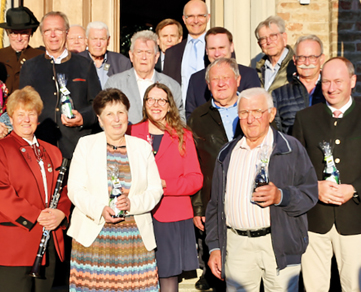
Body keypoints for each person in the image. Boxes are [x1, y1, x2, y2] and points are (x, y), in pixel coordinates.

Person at [292, 57, 361, 291]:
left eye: (338, 81)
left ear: (353, 81)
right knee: (314, 286)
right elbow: (293, 167)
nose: (331, 87)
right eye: (326, 81)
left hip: (355, 219)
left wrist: (354, 188)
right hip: (314, 219)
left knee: (353, 287)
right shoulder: (305, 118)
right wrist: (313, 187)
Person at [206, 87, 318, 291]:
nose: (250, 119)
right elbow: (215, 204)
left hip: (279, 245)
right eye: (244, 113)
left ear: (271, 114)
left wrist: (280, 196)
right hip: (237, 245)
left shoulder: (290, 149)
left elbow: (310, 193)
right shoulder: (227, 154)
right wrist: (214, 247)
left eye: (257, 112)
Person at [66, 89, 163, 291]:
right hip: (93, 239)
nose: (116, 119)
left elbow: (155, 190)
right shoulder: (86, 144)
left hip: (134, 241)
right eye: (109, 114)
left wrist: (132, 204)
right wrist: (99, 209)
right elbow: (75, 189)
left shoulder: (142, 147)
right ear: (100, 119)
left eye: (121, 112)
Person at [0, 86, 71, 292]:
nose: (26, 119)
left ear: (38, 117)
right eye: (20, 114)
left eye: (31, 113)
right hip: (13, 242)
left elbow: (65, 190)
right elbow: (0, 193)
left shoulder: (52, 151)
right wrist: (37, 216)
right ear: (10, 118)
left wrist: (61, 213)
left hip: (47, 241)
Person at [129, 83, 203, 292]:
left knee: (168, 279)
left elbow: (195, 179)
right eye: (151, 99)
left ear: (170, 105)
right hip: (138, 214)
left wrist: (164, 185)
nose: (156, 104)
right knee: (136, 277)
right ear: (144, 104)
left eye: (161, 100)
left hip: (171, 216)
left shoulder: (183, 136)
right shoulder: (131, 132)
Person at [187, 57, 243, 291]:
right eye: (214, 80)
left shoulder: (253, 109)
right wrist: (198, 207)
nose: (220, 84)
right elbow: (193, 164)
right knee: (218, 268)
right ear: (208, 85)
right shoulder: (198, 117)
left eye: (225, 78)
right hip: (213, 201)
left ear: (237, 80)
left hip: (250, 199)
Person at [19, 11, 102, 159]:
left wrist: (82, 118)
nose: (53, 35)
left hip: (77, 148)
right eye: (47, 31)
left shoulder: (85, 65)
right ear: (42, 35)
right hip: (40, 145)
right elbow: (23, 106)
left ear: (66, 33)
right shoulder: (30, 67)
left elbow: (98, 104)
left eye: (57, 30)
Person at [104, 30, 183, 123]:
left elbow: (180, 120)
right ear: (131, 55)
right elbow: (105, 115)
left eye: (148, 52)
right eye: (139, 52)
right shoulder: (115, 83)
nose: (144, 57)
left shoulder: (172, 85)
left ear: (156, 57)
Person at [184, 27, 260, 119]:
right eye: (212, 48)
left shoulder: (248, 74)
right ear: (206, 50)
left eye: (221, 48)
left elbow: (257, 109)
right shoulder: (196, 79)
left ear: (231, 47)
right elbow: (191, 116)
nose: (217, 54)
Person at [272, 34, 326, 134]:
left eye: (312, 57)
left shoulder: (331, 91)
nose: (306, 62)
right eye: (301, 57)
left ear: (321, 59)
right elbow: (277, 135)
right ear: (294, 60)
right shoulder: (279, 94)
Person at [163, 0, 210, 103]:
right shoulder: (172, 53)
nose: (196, 20)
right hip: (181, 114)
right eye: (191, 16)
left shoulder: (219, 48)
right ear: (184, 19)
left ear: (208, 18)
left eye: (201, 16)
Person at [0, 7, 46, 95]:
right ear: (7, 33)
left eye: (24, 33)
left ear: (30, 33)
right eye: (14, 33)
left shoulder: (41, 57)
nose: (19, 38)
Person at [78, 21, 131, 88]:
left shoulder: (121, 63)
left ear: (108, 41)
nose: (98, 44)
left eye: (102, 39)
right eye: (94, 39)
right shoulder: (76, 61)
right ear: (86, 40)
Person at [253, 16, 295, 93]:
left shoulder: (296, 65)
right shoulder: (257, 70)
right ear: (259, 44)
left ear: (284, 38)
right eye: (263, 39)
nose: (268, 42)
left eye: (273, 36)